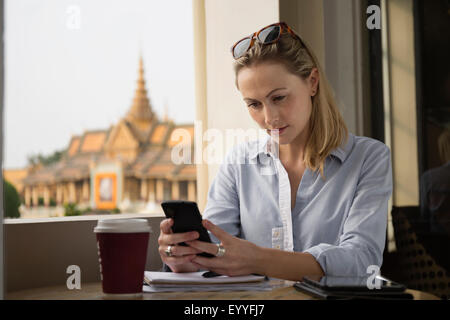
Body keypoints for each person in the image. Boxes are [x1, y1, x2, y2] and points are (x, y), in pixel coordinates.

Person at [158, 22, 393, 281]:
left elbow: (361, 260)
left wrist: (257, 259)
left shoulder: (369, 158)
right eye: (254, 104)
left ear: (312, 82)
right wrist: (185, 256)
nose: (269, 118)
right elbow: (216, 250)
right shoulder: (238, 164)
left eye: (279, 98)